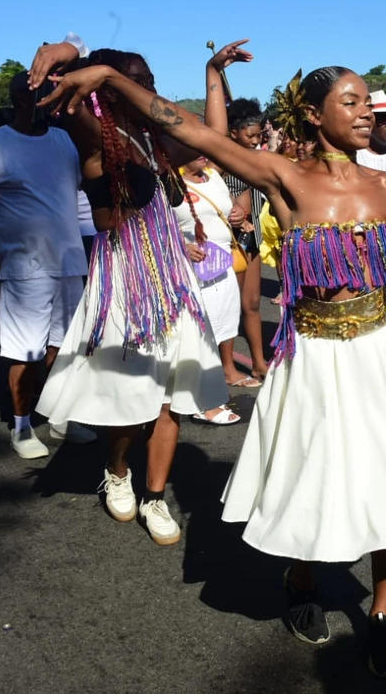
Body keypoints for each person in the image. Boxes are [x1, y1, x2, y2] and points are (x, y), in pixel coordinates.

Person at [36, 41, 386, 678]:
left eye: (368, 102)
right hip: (315, 356)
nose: (366, 112)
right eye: (350, 102)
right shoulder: (283, 177)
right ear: (315, 116)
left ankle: (380, 613)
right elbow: (178, 125)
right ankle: (302, 583)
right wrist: (107, 78)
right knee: (315, 475)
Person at [29, 46, 227, 547]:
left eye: (145, 77)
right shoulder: (97, 142)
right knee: (130, 404)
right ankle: (117, 470)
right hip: (124, 285)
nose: (143, 85)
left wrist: (213, 73)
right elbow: (58, 90)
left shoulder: (155, 144)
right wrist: (72, 52)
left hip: (173, 280)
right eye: (127, 78)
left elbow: (215, 137)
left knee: (172, 400)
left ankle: (155, 496)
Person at [0, 73, 96, 459]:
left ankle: (61, 416)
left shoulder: (64, 141)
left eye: (47, 96)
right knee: (26, 352)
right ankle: (21, 426)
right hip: (25, 267)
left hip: (69, 261)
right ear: (19, 99)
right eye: (35, 96)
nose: (43, 103)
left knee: (64, 348)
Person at [175, 154, 246, 421]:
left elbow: (227, 209)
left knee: (219, 329)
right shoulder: (169, 181)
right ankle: (202, 402)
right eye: (190, 148)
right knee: (199, 334)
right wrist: (181, 246)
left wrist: (237, 213)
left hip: (222, 265)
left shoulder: (213, 176)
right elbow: (152, 223)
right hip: (190, 270)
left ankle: (203, 395)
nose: (201, 152)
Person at [211, 96, 269, 384]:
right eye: (251, 135)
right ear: (233, 133)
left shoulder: (257, 158)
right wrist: (236, 208)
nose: (256, 140)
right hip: (231, 240)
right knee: (230, 306)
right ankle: (226, 366)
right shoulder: (220, 160)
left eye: (259, 135)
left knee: (253, 303)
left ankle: (259, 363)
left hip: (252, 236)